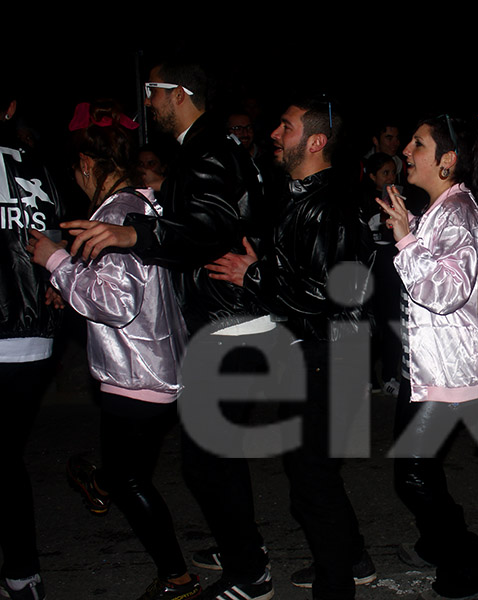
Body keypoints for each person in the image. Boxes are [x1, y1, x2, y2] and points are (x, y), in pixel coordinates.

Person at [61, 57, 271, 600]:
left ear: (177, 92)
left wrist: (134, 233)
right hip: (229, 322)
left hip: (227, 326)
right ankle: (240, 549)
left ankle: (250, 572)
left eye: (153, 92)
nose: (147, 103)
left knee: (208, 463)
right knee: (210, 461)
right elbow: (227, 219)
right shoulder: (207, 148)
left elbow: (208, 226)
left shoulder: (204, 149)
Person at [205, 96, 377, 599]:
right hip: (316, 354)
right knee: (314, 474)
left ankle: (336, 584)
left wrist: (253, 274)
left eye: (286, 126)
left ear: (316, 141)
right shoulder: (303, 196)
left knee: (310, 485)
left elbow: (329, 293)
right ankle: (352, 556)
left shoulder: (326, 205)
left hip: (329, 358)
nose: (274, 134)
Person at [27, 100, 198, 600]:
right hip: (152, 361)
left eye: (74, 169)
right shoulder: (137, 204)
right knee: (128, 470)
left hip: (137, 370)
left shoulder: (120, 211)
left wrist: (55, 260)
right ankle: (102, 481)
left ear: (84, 162)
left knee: (128, 481)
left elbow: (115, 301)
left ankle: (178, 579)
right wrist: (73, 276)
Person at [375, 115, 478, 600]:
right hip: (428, 366)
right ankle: (437, 542)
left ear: (447, 160)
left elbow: (445, 291)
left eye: (418, 143)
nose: (406, 149)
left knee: (412, 473)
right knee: (418, 469)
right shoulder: (444, 206)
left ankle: (469, 565)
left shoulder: (458, 213)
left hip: (448, 370)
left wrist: (406, 238)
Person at [0, 79, 63, 600]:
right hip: (33, 337)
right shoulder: (36, 165)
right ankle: (23, 574)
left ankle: (21, 573)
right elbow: (56, 234)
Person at [362, 152, 403, 395]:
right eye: (385, 173)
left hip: (391, 268)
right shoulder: (362, 201)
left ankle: (390, 375)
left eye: (393, 173)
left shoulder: (400, 199)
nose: (390, 178)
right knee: (368, 323)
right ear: (372, 176)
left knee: (392, 321)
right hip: (368, 270)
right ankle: (367, 377)